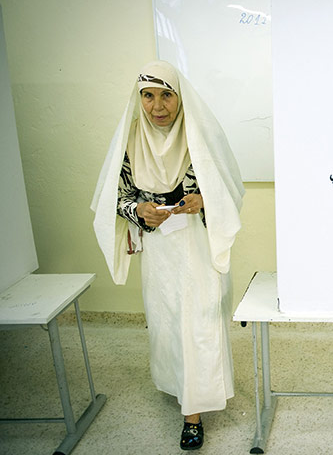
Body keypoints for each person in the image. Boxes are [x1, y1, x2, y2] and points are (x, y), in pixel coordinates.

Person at [91, 61, 245, 450]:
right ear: (139, 99)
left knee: (200, 320)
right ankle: (182, 386)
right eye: (148, 95)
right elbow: (116, 197)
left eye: (166, 94)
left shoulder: (200, 137)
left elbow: (229, 191)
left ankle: (192, 414)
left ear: (179, 97)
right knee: (169, 323)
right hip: (160, 251)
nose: (157, 106)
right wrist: (138, 211)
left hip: (198, 246)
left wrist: (203, 200)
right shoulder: (130, 142)